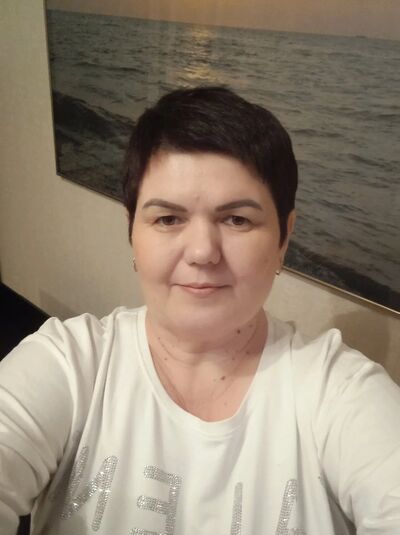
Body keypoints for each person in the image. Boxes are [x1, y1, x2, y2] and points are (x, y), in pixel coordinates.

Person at [0, 86, 399, 535]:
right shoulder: (71, 364)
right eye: (168, 219)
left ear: (284, 238)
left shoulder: (338, 391)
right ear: (132, 231)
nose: (202, 252)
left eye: (237, 219)